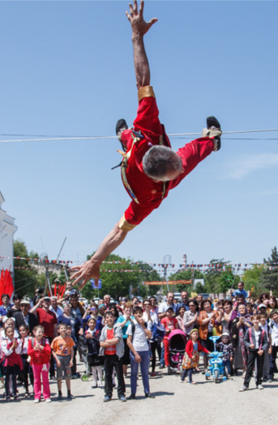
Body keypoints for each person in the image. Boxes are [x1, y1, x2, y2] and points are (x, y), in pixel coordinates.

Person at [70, 0, 222, 287]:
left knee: (186, 151)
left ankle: (212, 139)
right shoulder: (146, 197)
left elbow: (142, 78)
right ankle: (127, 135)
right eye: (177, 169)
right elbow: (118, 232)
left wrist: (136, 37)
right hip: (139, 165)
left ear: (163, 148)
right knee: (141, 140)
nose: (180, 168)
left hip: (141, 146)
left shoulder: (148, 129)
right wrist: (94, 261)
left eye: (177, 165)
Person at [127, 306, 153, 398]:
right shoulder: (132, 325)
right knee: (134, 373)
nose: (138, 314)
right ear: (133, 315)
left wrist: (142, 325)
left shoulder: (146, 324)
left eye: (139, 313)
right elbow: (128, 341)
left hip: (145, 350)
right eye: (136, 313)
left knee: (145, 372)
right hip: (135, 350)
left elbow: (149, 336)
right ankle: (133, 393)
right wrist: (135, 353)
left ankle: (147, 391)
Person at [100, 312, 126, 402]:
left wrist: (107, 341)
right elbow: (101, 343)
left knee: (119, 375)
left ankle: (121, 393)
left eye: (111, 317)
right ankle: (108, 393)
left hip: (117, 354)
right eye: (107, 317)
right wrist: (110, 341)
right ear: (105, 319)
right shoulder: (104, 329)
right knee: (107, 375)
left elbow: (117, 339)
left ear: (114, 318)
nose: (109, 319)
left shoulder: (117, 327)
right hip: (107, 355)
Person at [241, 314, 269, 391]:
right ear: (252, 321)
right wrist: (249, 345)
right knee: (249, 368)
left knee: (259, 368)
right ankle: (246, 384)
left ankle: (259, 383)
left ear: (259, 320)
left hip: (260, 351)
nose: (255, 321)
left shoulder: (262, 331)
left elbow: (266, 342)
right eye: (254, 319)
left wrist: (263, 349)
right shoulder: (249, 330)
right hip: (252, 351)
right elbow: (245, 340)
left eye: (257, 319)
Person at [27, 325, 52, 403]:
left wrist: (42, 348)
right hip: (35, 363)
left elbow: (49, 351)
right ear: (34, 333)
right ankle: (37, 396)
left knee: (45, 379)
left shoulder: (45, 341)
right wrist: (34, 349)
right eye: (39, 332)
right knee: (36, 380)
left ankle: (46, 395)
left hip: (44, 363)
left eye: (42, 332)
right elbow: (29, 352)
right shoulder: (31, 341)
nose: (40, 334)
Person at [51, 323, 75, 400]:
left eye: (64, 328)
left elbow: (72, 350)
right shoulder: (56, 339)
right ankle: (60, 392)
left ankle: (69, 392)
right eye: (61, 328)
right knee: (59, 377)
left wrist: (71, 359)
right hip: (59, 357)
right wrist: (57, 360)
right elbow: (53, 351)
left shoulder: (69, 339)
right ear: (58, 330)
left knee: (68, 376)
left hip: (67, 358)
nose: (63, 330)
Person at [0, 324, 22, 401]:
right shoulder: (4, 342)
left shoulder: (17, 340)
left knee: (14, 377)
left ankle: (14, 393)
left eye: (12, 331)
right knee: (7, 378)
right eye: (9, 332)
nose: (11, 333)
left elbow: (18, 352)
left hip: (15, 361)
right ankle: (7, 393)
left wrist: (16, 346)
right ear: (6, 333)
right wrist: (12, 347)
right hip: (8, 362)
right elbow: (7, 353)